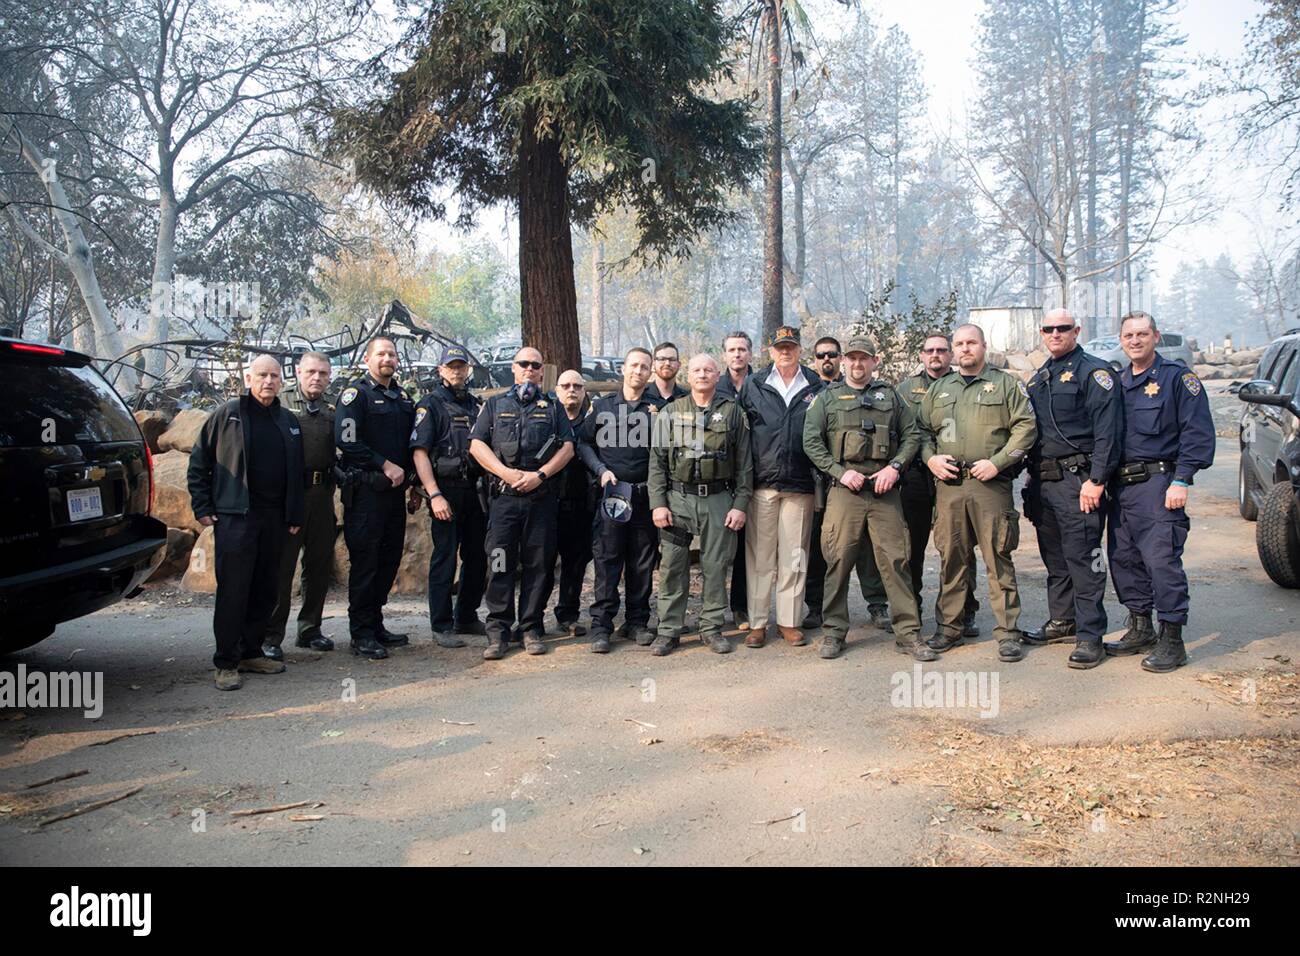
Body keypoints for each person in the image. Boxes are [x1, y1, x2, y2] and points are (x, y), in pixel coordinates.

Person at [802, 335, 936, 662]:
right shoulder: (827, 398)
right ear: (844, 362)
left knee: (895, 560)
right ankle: (834, 631)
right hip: (844, 491)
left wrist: (895, 467)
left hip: (884, 489)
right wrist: (839, 471)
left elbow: (912, 436)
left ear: (875, 362)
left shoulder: (890, 396)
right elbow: (811, 441)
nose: (858, 364)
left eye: (865, 358)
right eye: (852, 358)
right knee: (838, 560)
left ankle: (908, 633)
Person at [1104, 311, 1215, 672]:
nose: (1134, 341)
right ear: (1121, 340)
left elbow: (1197, 434)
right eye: (1128, 335)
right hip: (1121, 488)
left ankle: (1172, 640)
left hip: (1159, 485)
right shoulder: (1118, 383)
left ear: (1155, 337)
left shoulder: (1177, 380)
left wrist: (1181, 480)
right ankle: (1140, 626)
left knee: (1161, 561)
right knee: (1124, 559)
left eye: (1142, 334)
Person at [919, 324, 1037, 663]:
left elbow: (1026, 427)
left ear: (984, 346)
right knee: (952, 558)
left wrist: (998, 463)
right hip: (950, 485)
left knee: (997, 557)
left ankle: (1008, 632)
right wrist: (931, 460)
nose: (965, 349)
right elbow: (922, 432)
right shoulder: (940, 389)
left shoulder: (1005, 384)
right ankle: (950, 628)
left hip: (989, 484)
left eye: (971, 343)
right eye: (959, 344)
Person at [188, 354, 304, 691]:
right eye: (262, 375)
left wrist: (294, 513)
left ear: (281, 380)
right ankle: (226, 661)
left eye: (274, 376)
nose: (268, 381)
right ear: (248, 379)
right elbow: (200, 461)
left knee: (266, 588)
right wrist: (202, 505)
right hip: (236, 517)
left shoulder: (287, 420)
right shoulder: (228, 414)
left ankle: (251, 652)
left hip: (275, 519)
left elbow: (295, 472)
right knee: (234, 590)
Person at [1021, 308, 1124, 669]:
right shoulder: (1040, 377)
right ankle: (1063, 620)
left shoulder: (1094, 373)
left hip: (1078, 481)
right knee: (1055, 558)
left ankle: (1091, 634)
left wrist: (1097, 481)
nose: (1055, 334)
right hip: (1044, 482)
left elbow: (1108, 433)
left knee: (1084, 559)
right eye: (1048, 329)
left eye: (1062, 328)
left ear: (1076, 330)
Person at [470, 347, 575, 660]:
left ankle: (530, 627)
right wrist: (504, 471)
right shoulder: (494, 404)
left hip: (540, 501)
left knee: (538, 566)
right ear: (513, 368)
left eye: (535, 365)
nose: (529, 369)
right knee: (500, 562)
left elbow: (568, 448)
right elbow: (477, 445)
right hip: (504, 501)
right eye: (523, 364)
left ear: (542, 371)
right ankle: (498, 631)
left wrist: (540, 476)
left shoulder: (553, 407)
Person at [648, 353, 754, 656]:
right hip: (678, 500)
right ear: (688, 375)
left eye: (708, 370)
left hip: (720, 500)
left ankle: (711, 628)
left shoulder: (733, 413)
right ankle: (669, 630)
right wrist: (658, 503)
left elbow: (745, 465)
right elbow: (656, 463)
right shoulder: (670, 412)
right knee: (672, 566)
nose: (702, 374)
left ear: (717, 374)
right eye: (697, 370)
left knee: (716, 566)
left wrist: (740, 505)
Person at [738, 325, 823, 647]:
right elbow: (742, 436)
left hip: (801, 484)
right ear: (770, 351)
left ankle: (789, 621)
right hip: (762, 484)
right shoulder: (755, 384)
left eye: (791, 346)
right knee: (760, 557)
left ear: (800, 349)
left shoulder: (815, 386)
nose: (785, 352)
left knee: (794, 556)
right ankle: (758, 623)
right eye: (780, 347)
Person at [335, 337, 416, 660]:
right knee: (366, 563)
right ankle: (361, 633)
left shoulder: (402, 398)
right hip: (366, 493)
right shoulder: (356, 396)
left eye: (392, 354)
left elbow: (411, 445)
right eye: (381, 354)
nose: (387, 359)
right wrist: (384, 464)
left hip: (395, 495)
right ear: (368, 359)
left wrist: (413, 484)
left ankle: (376, 622)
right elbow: (347, 438)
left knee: (389, 560)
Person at [802, 336, 890, 631]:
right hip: (817, 483)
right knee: (824, 549)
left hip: (857, 482)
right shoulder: (810, 392)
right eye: (820, 354)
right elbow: (809, 440)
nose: (826, 359)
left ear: (839, 358)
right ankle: (818, 607)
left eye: (832, 354)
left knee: (866, 546)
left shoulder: (864, 388)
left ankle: (876, 603)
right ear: (814, 359)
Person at [579, 347, 661, 652]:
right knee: (608, 559)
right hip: (613, 494)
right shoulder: (602, 407)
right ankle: (602, 625)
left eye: (644, 367)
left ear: (650, 374)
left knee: (642, 561)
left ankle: (637, 621)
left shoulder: (657, 410)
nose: (638, 371)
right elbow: (583, 443)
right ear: (623, 369)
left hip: (644, 496)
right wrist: (600, 470)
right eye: (634, 365)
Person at [897, 333, 979, 636]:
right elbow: (904, 432)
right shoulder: (905, 390)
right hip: (917, 474)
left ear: (951, 354)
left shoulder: (966, 386)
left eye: (942, 350)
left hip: (956, 474)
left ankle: (964, 609)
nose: (936, 355)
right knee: (912, 547)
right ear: (921, 355)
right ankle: (911, 609)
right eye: (929, 350)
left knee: (959, 545)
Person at [409, 345, 485, 648]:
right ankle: (441, 624)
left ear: (467, 370)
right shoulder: (431, 405)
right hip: (446, 491)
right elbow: (419, 452)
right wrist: (434, 493)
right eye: (450, 366)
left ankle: (465, 615)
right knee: (445, 557)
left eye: (461, 366)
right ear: (440, 370)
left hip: (475, 491)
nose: (456, 371)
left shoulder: (475, 406)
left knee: (477, 557)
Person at [263, 351, 337, 660]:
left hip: (323, 495)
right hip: (290, 496)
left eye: (322, 373)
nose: (317, 377)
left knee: (318, 565)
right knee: (282, 568)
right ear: (297, 372)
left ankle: (310, 628)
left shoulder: (335, 407)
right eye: (311, 372)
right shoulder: (280, 403)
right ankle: (270, 635)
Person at [542, 369, 595, 636]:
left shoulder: (593, 423)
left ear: (584, 390)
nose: (571, 390)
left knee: (575, 564)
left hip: (581, 504)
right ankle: (533, 618)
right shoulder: (546, 420)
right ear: (557, 389)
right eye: (566, 385)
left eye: (577, 385)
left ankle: (568, 615)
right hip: (547, 504)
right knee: (541, 563)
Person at [715, 331, 754, 627]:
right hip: (721, 476)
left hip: (755, 472)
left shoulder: (762, 384)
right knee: (719, 548)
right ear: (724, 355)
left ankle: (742, 606)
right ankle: (712, 609)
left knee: (747, 548)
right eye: (732, 350)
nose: (737, 354)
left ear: (750, 354)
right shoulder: (716, 387)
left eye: (742, 349)